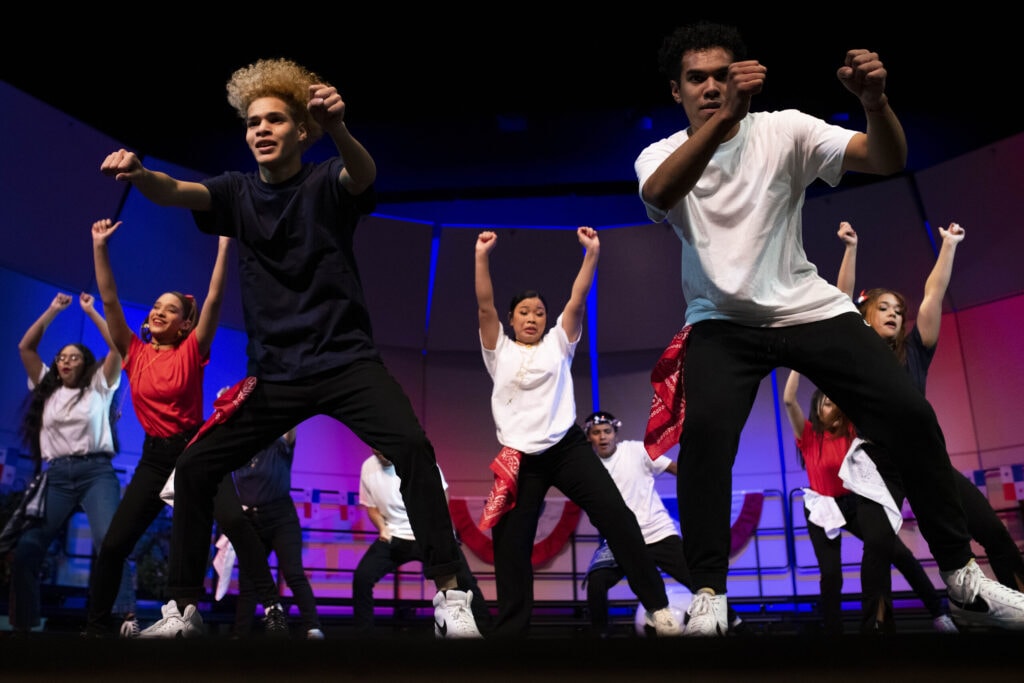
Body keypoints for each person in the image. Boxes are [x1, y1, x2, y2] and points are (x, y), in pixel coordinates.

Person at [634, 20, 1024, 635]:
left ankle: (961, 580)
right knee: (706, 438)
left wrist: (875, 103)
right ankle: (709, 592)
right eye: (696, 79)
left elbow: (886, 157)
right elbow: (659, 194)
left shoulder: (784, 128)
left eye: (721, 75)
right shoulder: (659, 155)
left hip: (807, 306)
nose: (710, 87)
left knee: (909, 414)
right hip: (721, 320)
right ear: (676, 92)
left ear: (744, 74)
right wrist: (723, 118)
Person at [100, 57, 479, 638]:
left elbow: (362, 175)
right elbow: (176, 191)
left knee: (410, 446)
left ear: (301, 130)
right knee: (197, 465)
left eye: (275, 120)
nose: (261, 130)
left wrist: (342, 130)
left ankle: (452, 596)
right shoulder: (236, 192)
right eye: (253, 122)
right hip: (275, 375)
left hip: (346, 361)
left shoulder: (327, 178)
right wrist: (139, 173)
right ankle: (183, 610)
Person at [85, 218, 287, 638]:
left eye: (171, 309)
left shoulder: (192, 349)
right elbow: (108, 299)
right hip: (155, 456)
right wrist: (100, 246)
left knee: (235, 522)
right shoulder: (133, 352)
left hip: (198, 452)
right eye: (156, 306)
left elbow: (213, 299)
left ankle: (273, 608)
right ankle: (97, 626)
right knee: (115, 542)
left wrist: (224, 245)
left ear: (183, 324)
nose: (159, 311)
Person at [475, 227, 680, 638]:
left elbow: (577, 298)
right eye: (523, 313)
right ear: (511, 320)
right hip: (520, 459)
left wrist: (592, 254)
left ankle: (659, 608)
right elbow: (484, 306)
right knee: (512, 545)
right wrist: (481, 256)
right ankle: (512, 632)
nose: (532, 318)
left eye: (538, 312)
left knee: (618, 518)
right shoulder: (499, 348)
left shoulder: (558, 343)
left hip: (567, 448)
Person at [838, 221, 1024, 603]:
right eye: (883, 307)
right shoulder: (855, 353)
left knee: (991, 528)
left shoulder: (916, 351)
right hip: (878, 461)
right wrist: (851, 248)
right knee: (877, 546)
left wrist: (950, 246)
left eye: (897, 310)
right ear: (866, 314)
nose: (893, 313)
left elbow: (933, 294)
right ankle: (876, 632)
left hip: (923, 457)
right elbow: (839, 302)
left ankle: (1013, 600)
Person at [783, 370, 957, 634]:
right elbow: (788, 400)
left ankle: (938, 613)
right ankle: (834, 635)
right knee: (831, 575)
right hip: (822, 507)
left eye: (836, 403)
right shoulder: (808, 435)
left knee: (898, 553)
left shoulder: (853, 430)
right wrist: (797, 366)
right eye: (827, 403)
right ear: (817, 410)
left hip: (855, 503)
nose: (833, 408)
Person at [10, 292, 131, 636]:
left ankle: (124, 618)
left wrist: (91, 311)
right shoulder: (47, 388)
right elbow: (25, 347)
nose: (65, 362)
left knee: (109, 542)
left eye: (74, 357)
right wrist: (52, 310)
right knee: (26, 550)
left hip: (96, 473)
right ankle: (22, 628)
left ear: (85, 363)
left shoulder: (99, 384)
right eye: (62, 357)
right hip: (57, 476)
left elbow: (117, 347)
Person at [355, 448, 492, 637]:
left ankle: (485, 631)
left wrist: (438, 530)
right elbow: (371, 506)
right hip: (394, 536)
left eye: (383, 452)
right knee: (362, 577)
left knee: (465, 581)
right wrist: (382, 528)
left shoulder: (417, 459)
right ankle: (364, 638)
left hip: (427, 534)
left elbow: (442, 495)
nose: (379, 454)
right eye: (376, 451)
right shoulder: (368, 467)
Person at [581, 410, 690, 638]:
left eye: (607, 432)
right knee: (596, 583)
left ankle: (735, 623)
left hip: (658, 532)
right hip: (620, 540)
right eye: (596, 433)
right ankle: (600, 637)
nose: (603, 437)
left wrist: (702, 477)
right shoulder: (586, 467)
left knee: (697, 581)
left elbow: (673, 468)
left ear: (615, 434)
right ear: (589, 437)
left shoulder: (636, 450)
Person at [229, 427, 324, 639]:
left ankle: (313, 627)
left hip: (281, 518)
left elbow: (290, 425)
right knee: (249, 580)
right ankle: (239, 634)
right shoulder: (239, 450)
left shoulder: (278, 445)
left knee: (293, 573)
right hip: (250, 522)